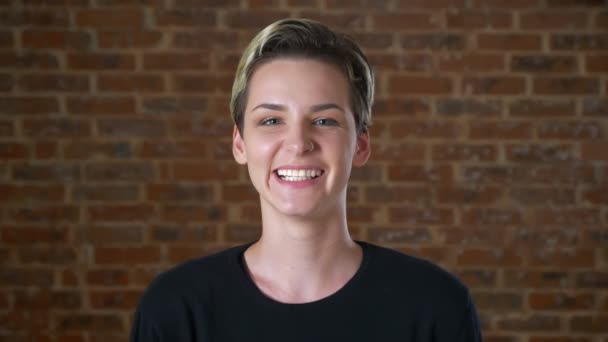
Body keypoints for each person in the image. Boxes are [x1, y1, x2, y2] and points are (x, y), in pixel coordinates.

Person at [130, 18, 482, 342]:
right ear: (240, 144)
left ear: (360, 145)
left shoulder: (436, 305)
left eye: (325, 120)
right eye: (271, 121)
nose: (299, 144)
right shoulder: (175, 309)